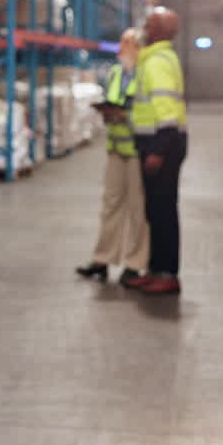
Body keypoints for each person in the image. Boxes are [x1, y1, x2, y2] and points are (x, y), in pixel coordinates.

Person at [122, 7, 188, 295]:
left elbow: (167, 112)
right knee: (155, 211)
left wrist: (158, 150)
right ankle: (155, 268)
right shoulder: (154, 59)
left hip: (163, 144)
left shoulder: (157, 62)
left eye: (149, 26)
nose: (144, 31)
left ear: (160, 31)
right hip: (157, 143)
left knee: (163, 212)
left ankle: (167, 274)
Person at [77, 28, 149, 283]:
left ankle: (134, 263)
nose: (120, 48)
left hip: (138, 150)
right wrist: (108, 113)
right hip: (116, 149)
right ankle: (103, 259)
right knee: (110, 205)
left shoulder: (146, 74)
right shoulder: (117, 73)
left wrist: (125, 115)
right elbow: (114, 99)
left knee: (138, 209)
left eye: (126, 43)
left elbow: (147, 110)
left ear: (138, 47)